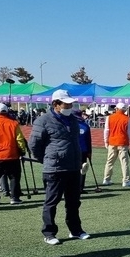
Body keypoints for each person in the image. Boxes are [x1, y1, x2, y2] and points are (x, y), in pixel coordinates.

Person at [29, 89, 90, 245]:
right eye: (66, 104)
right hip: (54, 168)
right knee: (52, 202)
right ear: (56, 104)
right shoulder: (43, 121)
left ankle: (75, 230)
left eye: (71, 104)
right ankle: (49, 233)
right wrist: (47, 159)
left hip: (73, 167)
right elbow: (34, 145)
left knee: (74, 202)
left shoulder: (73, 120)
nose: (70, 106)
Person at [0, 103, 27, 205]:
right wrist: (22, 151)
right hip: (12, 155)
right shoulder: (14, 123)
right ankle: (14, 197)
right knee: (14, 177)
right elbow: (19, 139)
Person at [103, 102, 130, 187]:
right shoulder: (127, 119)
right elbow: (129, 132)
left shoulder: (109, 117)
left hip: (112, 142)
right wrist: (128, 142)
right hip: (123, 142)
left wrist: (106, 141)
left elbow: (106, 130)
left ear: (116, 109)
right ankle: (126, 180)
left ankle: (106, 179)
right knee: (124, 162)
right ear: (124, 110)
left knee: (109, 161)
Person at [74, 109, 92, 193]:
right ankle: (80, 188)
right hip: (84, 150)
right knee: (82, 169)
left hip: (72, 150)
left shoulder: (70, 125)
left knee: (72, 169)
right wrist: (89, 152)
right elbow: (88, 140)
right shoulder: (85, 125)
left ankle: (71, 187)